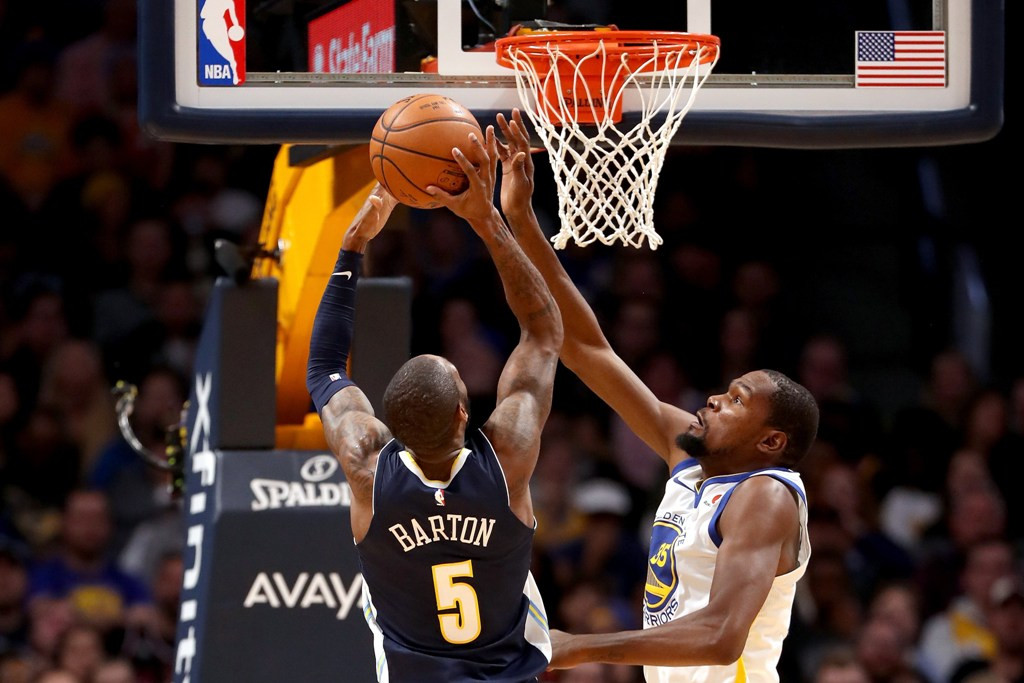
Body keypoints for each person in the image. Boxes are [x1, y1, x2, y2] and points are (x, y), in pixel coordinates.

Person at [495, 109, 819, 682]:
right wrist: (518, 219)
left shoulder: (763, 497)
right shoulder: (689, 458)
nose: (716, 400)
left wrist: (576, 646)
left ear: (771, 440)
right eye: (726, 391)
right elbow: (588, 350)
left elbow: (721, 639)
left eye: (738, 400)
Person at [305, 128, 563, 681]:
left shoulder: (367, 466)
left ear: (387, 425)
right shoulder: (508, 457)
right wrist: (486, 218)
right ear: (464, 415)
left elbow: (324, 366)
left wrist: (351, 247)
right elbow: (542, 334)